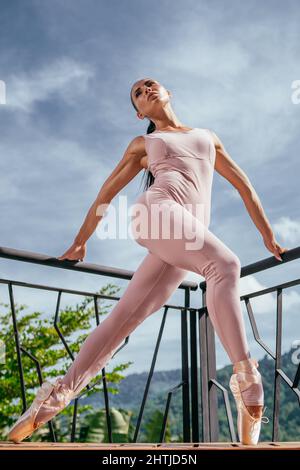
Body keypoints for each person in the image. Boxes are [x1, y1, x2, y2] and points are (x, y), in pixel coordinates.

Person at [8, 77, 288, 445]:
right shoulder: (145, 143)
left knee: (123, 319)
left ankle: (52, 400)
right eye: (138, 93)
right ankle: (248, 383)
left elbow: (244, 186)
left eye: (151, 85)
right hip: (156, 214)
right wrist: (80, 241)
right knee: (226, 266)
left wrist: (267, 236)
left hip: (184, 235)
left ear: (169, 93)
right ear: (139, 112)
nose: (146, 90)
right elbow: (106, 192)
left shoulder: (207, 137)